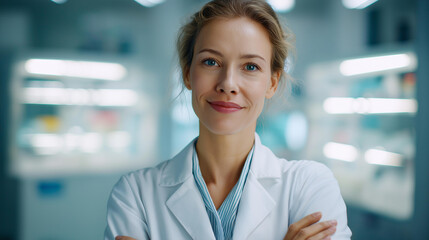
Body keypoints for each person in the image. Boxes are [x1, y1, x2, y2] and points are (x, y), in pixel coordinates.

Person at [105, 0, 352, 239]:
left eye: (250, 67)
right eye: (211, 62)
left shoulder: (309, 185)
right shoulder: (135, 193)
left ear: (272, 82)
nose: (228, 84)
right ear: (187, 73)